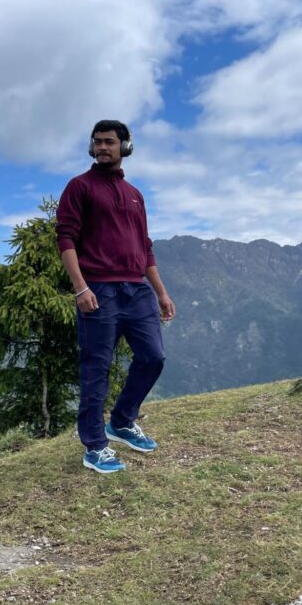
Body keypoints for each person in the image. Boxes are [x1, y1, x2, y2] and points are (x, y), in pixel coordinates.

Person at [56, 120, 175, 474]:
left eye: (109, 142)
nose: (102, 147)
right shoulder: (79, 187)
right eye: (97, 142)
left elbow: (145, 248)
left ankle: (121, 422)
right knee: (96, 369)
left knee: (153, 357)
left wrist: (162, 294)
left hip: (137, 289)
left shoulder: (136, 195)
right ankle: (94, 446)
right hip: (99, 289)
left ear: (125, 147)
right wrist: (81, 287)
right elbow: (66, 240)